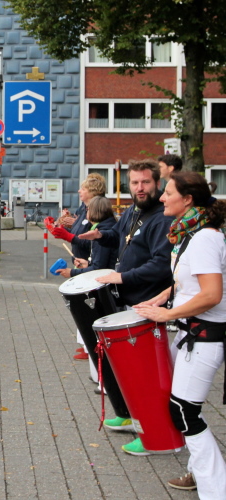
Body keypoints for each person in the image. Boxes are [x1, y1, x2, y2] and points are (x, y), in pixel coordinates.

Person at [133, 172, 226, 495]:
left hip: (204, 336)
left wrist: (167, 314)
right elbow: (188, 281)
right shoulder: (191, 232)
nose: (161, 197)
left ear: (187, 200)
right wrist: (161, 297)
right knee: (181, 406)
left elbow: (212, 294)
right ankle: (200, 471)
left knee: (184, 410)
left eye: (168, 192)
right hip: (192, 335)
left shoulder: (204, 238)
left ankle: (215, 489)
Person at [80, 158, 175, 455]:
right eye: (135, 182)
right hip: (129, 300)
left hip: (148, 303)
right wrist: (101, 235)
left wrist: (122, 277)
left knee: (146, 375)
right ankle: (131, 415)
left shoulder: (162, 218)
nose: (140, 187)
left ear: (157, 183)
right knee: (128, 371)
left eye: (145, 182)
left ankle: (154, 433)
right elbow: (120, 238)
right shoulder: (133, 211)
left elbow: (161, 265)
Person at [49, 173, 107, 361]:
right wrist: (62, 228)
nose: (79, 191)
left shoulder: (97, 211)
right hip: (81, 260)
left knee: (88, 304)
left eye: (83, 188)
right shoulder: (84, 209)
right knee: (82, 304)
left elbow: (86, 238)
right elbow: (78, 232)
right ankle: (86, 344)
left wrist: (68, 236)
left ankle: (91, 345)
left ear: (92, 191)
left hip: (88, 263)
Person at [57, 196, 118, 278]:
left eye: (88, 210)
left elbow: (99, 268)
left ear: (93, 212)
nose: (86, 212)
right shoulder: (106, 227)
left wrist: (72, 272)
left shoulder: (101, 233)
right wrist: (88, 264)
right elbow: (101, 262)